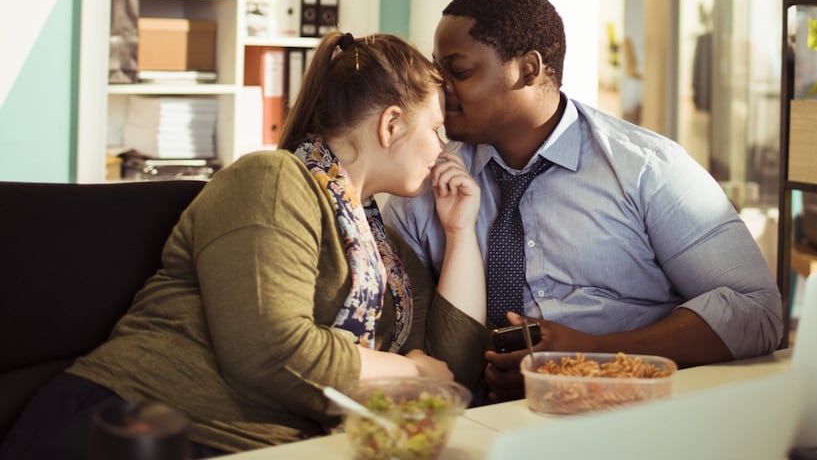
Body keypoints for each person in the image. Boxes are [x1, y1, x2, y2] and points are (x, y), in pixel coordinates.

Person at [0, 32, 488, 459]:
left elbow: (451, 371)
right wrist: (407, 372)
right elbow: (273, 353)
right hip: (140, 427)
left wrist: (460, 232)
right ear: (391, 124)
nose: (442, 150)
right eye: (435, 130)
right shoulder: (272, 180)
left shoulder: (383, 249)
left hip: (262, 446)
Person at [382, 0, 784, 402]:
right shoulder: (422, 182)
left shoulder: (645, 169)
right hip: (467, 419)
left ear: (528, 70)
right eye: (436, 70)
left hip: (618, 419)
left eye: (459, 71)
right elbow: (395, 326)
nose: (438, 88)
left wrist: (592, 356)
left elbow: (757, 311)